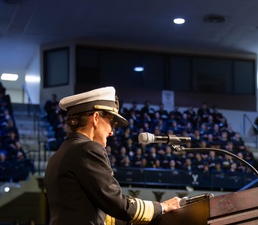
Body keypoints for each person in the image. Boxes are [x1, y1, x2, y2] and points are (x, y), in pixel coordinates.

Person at [44, 87, 181, 225]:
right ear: (96, 117)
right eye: (111, 123)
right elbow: (118, 204)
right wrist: (162, 207)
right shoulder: (87, 149)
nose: (112, 132)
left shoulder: (60, 153)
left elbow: (96, 209)